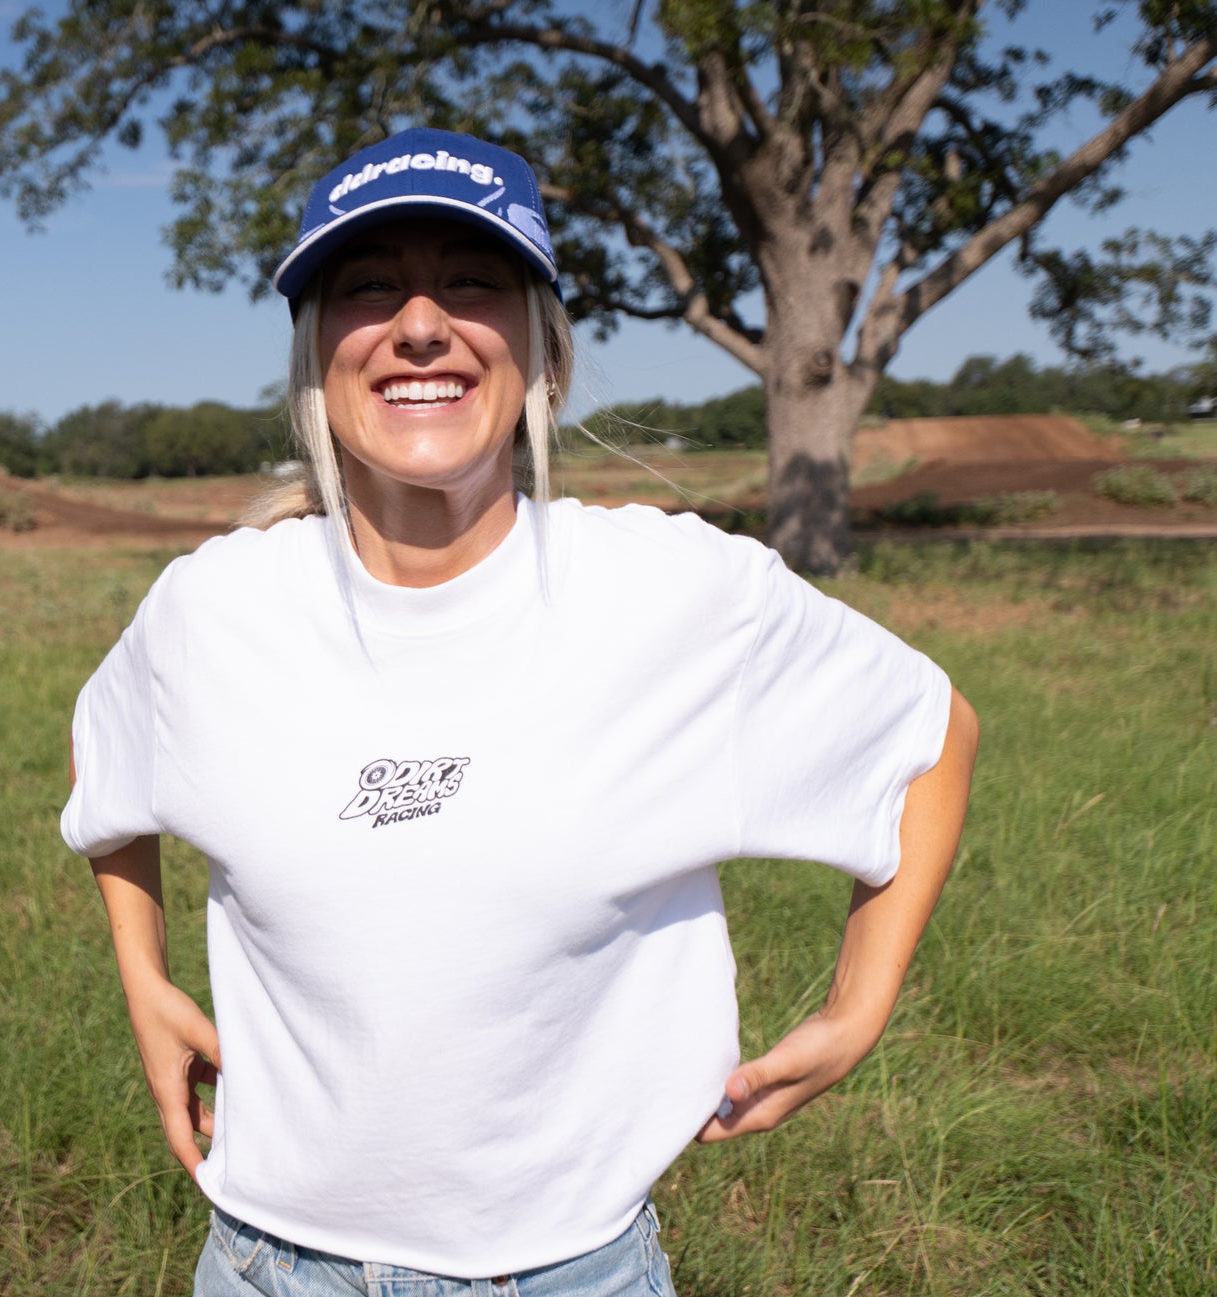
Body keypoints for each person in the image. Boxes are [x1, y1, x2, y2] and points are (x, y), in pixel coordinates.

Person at [61, 127, 979, 1296]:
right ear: (315, 355)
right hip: (262, 1261)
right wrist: (143, 979)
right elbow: (106, 759)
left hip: (567, 1270)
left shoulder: (673, 594)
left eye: (471, 281)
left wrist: (858, 1004)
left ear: (542, 353)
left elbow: (927, 734)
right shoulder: (213, 607)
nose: (420, 324)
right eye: (367, 287)